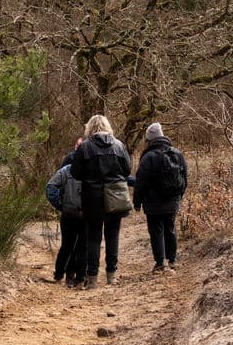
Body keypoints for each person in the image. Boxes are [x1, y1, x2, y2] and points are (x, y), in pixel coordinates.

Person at [70, 114, 132, 286]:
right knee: (113, 237)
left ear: (90, 127)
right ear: (107, 126)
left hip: (92, 199)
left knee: (94, 238)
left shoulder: (85, 147)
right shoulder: (119, 146)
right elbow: (127, 170)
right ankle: (111, 276)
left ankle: (92, 279)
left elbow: (75, 173)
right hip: (116, 196)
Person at [133, 122, 189, 272]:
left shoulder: (148, 157)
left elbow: (141, 182)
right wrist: (179, 196)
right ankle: (172, 260)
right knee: (170, 228)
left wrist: (137, 202)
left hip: (153, 203)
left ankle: (159, 263)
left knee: (156, 231)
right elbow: (185, 177)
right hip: (172, 200)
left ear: (149, 139)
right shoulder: (177, 153)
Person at [44, 149, 79, 283]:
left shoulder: (66, 170)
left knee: (67, 245)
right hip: (86, 213)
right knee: (80, 246)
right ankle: (72, 276)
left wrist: (59, 205)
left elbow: (50, 187)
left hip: (68, 212)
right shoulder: (93, 169)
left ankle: (59, 274)